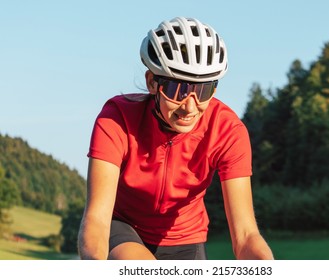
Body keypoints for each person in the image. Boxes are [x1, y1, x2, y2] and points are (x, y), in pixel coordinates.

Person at [78, 16, 274, 260]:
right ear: (152, 82)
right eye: (177, 90)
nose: (190, 107)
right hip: (124, 229)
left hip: (187, 238)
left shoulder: (227, 130)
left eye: (203, 90)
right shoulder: (117, 119)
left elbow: (245, 235)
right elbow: (96, 218)